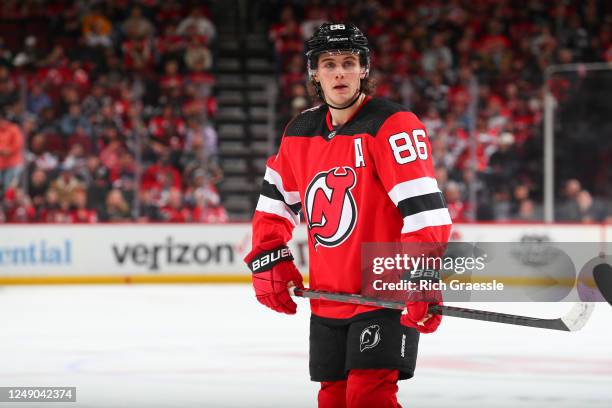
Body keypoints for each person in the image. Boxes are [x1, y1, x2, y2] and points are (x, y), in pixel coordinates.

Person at [244, 23, 451, 408]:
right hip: (329, 295)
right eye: (329, 64)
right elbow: (274, 205)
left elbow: (425, 213)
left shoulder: (393, 126)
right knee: (333, 399)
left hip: (383, 295)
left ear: (364, 69)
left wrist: (421, 275)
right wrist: (268, 259)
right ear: (314, 72)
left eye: (349, 62)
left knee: (367, 398)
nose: (339, 72)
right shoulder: (300, 131)